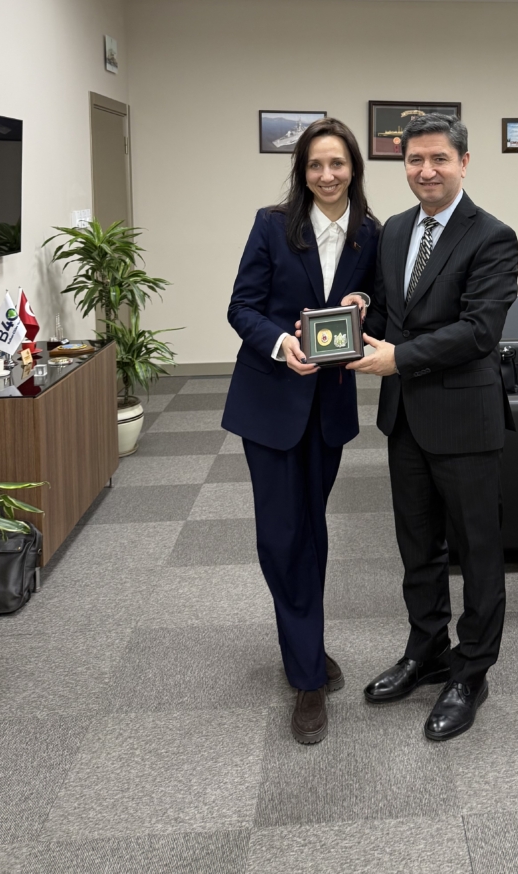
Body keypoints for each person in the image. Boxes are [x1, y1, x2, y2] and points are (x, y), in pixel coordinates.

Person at [348, 112, 518, 741]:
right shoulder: (395, 230)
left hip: (465, 419)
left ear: (464, 163)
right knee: (417, 546)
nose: (426, 171)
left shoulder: (493, 237)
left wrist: (399, 358)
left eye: (439, 159)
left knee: (477, 551)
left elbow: (479, 331)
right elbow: (394, 314)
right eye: (415, 160)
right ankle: (426, 651)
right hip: (405, 418)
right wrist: (361, 311)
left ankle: (471, 671)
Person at [222, 117, 379, 745]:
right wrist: (280, 342)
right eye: (316, 164)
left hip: (329, 409)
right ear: (302, 171)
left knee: (312, 530)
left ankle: (304, 641)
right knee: (282, 536)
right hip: (270, 403)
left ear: (353, 168)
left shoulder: (371, 233)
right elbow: (241, 307)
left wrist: (365, 305)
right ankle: (307, 676)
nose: (327, 175)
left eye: (337, 163)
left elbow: (377, 303)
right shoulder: (272, 224)